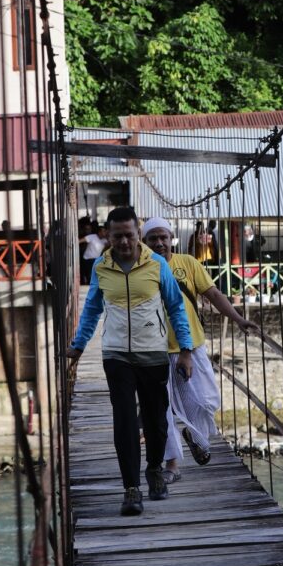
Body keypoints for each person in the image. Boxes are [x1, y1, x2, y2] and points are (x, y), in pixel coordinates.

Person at [66, 207, 194, 517]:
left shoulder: (157, 264)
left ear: (138, 233)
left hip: (152, 353)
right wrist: (78, 347)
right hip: (116, 355)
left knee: (156, 420)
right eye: (117, 235)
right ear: (107, 236)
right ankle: (130, 489)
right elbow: (92, 309)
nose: (124, 241)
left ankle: (153, 469)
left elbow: (176, 307)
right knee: (123, 420)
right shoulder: (101, 267)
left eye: (129, 234)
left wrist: (186, 350)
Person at [141, 216, 260, 479]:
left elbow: (214, 294)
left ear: (171, 238)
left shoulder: (188, 263)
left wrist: (238, 319)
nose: (159, 243)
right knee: (162, 409)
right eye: (153, 239)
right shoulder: (140, 269)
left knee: (206, 400)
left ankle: (195, 435)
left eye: (163, 237)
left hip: (190, 347)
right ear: (144, 242)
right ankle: (171, 465)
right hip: (154, 351)